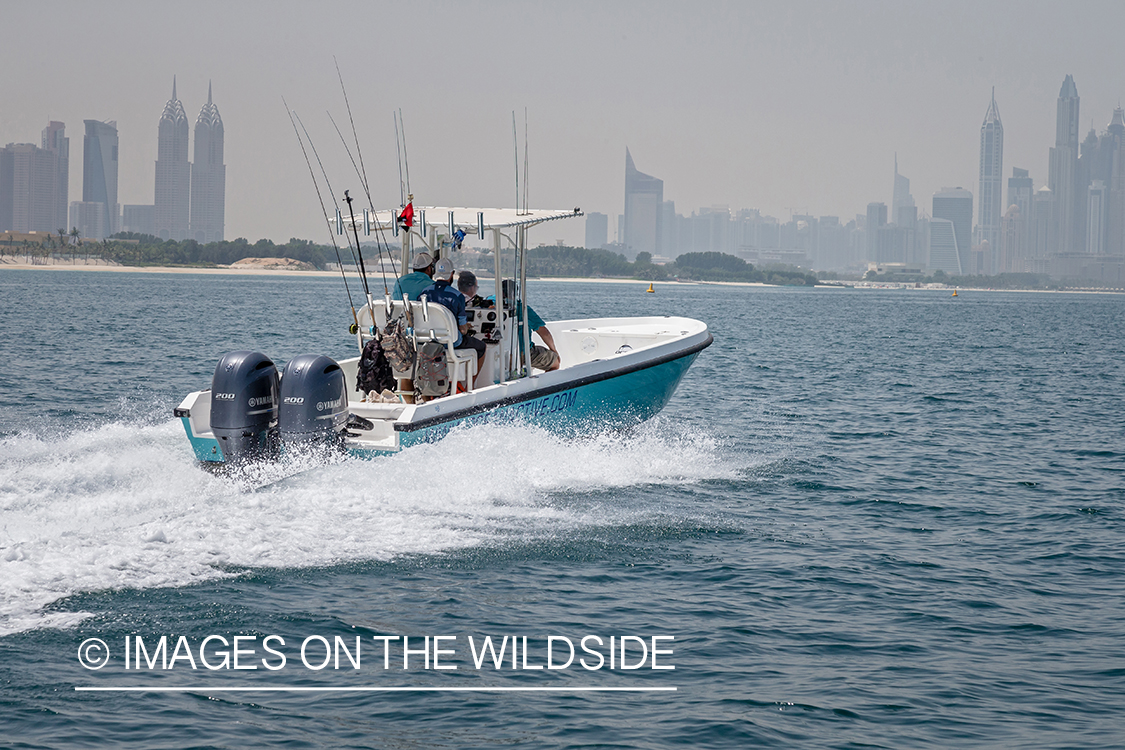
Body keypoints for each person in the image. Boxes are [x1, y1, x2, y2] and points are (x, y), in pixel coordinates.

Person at [422, 259, 486, 375]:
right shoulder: (456, 296)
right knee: (481, 347)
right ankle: (471, 386)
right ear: (451, 274)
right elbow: (462, 329)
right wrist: (466, 328)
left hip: (428, 341)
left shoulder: (423, 293)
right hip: (451, 342)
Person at [485, 292, 560, 371]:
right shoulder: (523, 309)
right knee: (555, 363)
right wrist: (553, 350)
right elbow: (544, 332)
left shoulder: (488, 304)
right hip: (521, 354)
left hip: (494, 352)